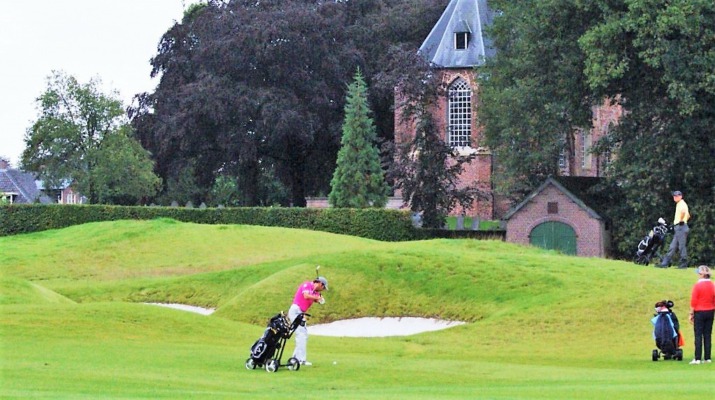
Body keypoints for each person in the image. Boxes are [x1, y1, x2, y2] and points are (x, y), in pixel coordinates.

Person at [288, 275, 328, 366]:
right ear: (320, 284)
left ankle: (295, 358)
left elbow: (320, 301)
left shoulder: (316, 293)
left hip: (301, 313)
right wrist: (317, 297)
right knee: (301, 334)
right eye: (323, 287)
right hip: (295, 311)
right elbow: (306, 296)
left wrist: (320, 299)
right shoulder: (306, 285)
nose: (323, 289)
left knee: (303, 334)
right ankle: (300, 360)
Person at [688, 265, 715, 364]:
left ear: (701, 274)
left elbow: (694, 301)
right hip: (711, 311)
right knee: (707, 335)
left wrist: (691, 313)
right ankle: (707, 358)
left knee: (698, 335)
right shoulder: (712, 285)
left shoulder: (697, 286)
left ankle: (697, 358)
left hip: (699, 312)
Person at [658, 190, 690, 268]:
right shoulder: (680, 204)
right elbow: (688, 215)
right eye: (674, 196)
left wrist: (682, 221)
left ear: (681, 196)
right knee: (673, 246)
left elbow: (683, 212)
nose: (675, 197)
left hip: (681, 226)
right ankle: (665, 262)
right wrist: (683, 220)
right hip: (679, 227)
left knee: (681, 246)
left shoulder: (681, 204)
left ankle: (683, 263)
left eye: (677, 196)